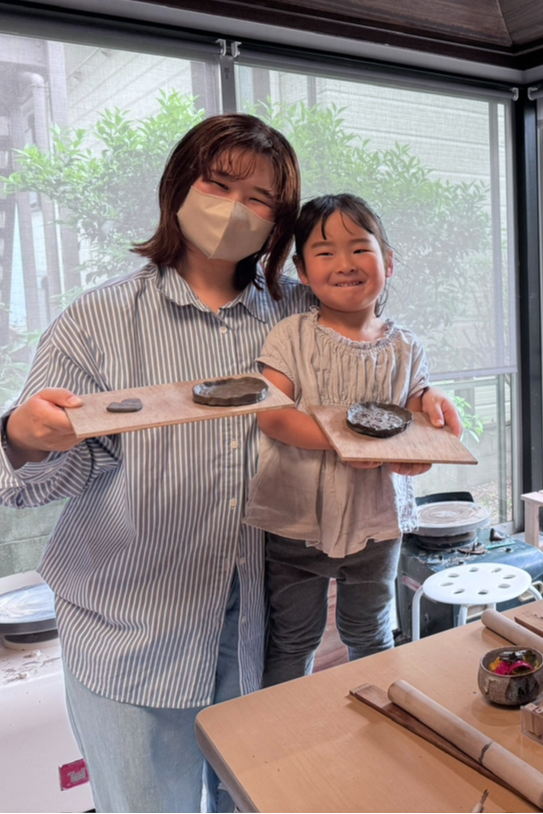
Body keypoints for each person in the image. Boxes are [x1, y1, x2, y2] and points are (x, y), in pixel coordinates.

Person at [0, 116, 459, 812]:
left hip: (260, 632)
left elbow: (374, 361)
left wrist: (423, 404)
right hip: (136, 632)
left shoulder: (298, 310)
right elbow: (45, 476)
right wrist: (22, 434)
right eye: (219, 184)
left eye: (261, 198)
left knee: (261, 799)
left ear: (280, 225)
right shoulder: (95, 321)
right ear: (179, 185)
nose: (235, 208)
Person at [246, 193, 442, 686]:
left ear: (388, 262)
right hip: (296, 520)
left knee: (371, 630)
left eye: (360, 248)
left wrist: (427, 433)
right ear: (303, 271)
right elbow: (273, 417)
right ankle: (284, 736)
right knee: (293, 637)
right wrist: (348, 443)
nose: (345, 264)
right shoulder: (290, 335)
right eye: (325, 251)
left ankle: (379, 726)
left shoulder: (407, 346)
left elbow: (415, 419)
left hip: (377, 519)